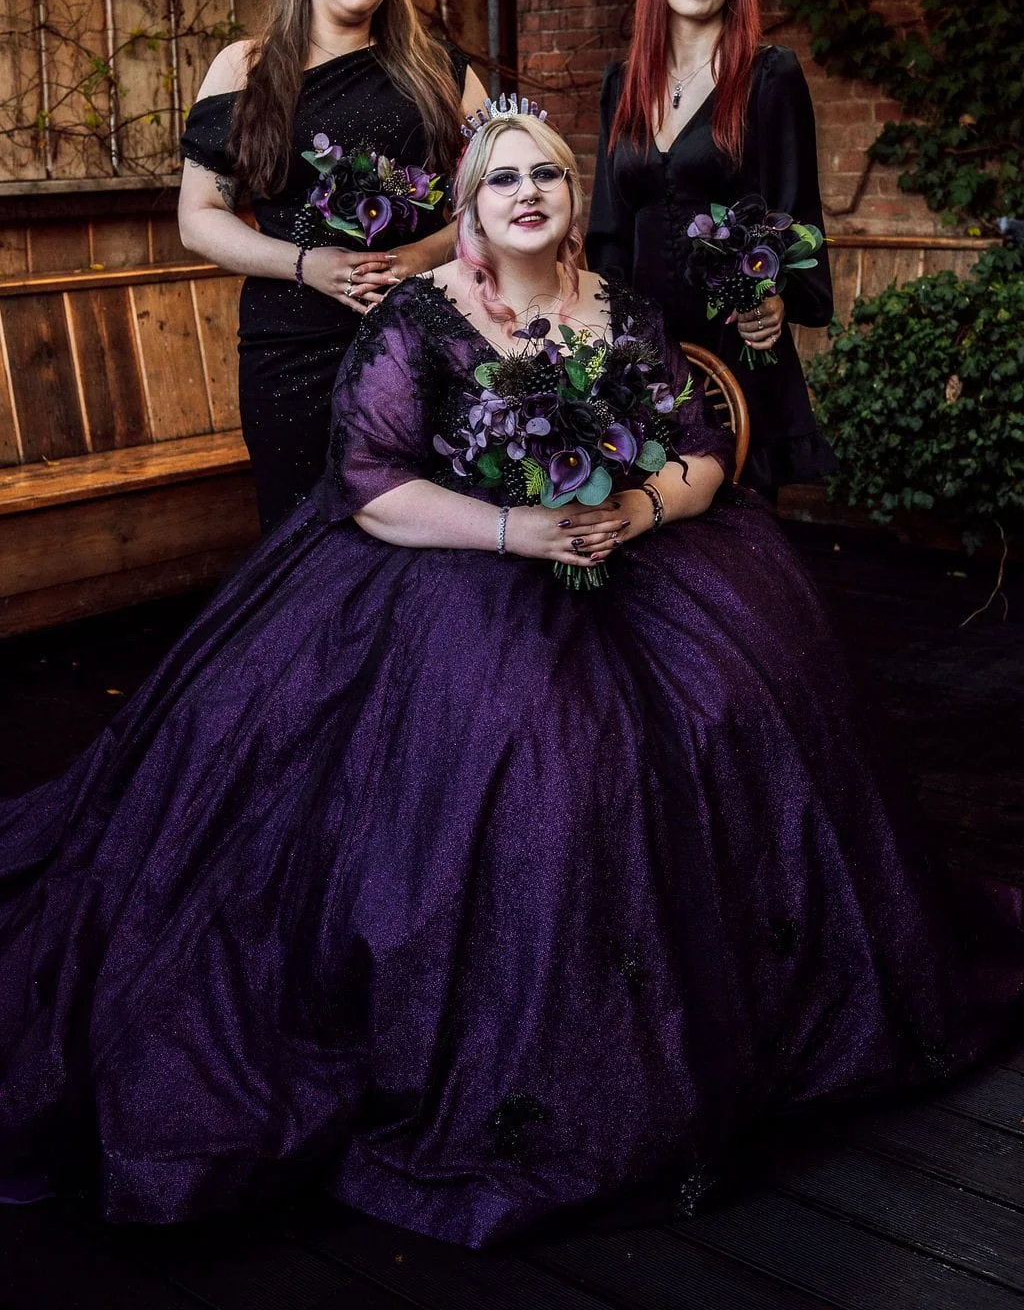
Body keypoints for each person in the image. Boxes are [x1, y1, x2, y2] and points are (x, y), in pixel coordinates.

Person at [1, 111, 1021, 1250]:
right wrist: (511, 529)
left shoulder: (622, 310)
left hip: (632, 557)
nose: (527, 191)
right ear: (472, 207)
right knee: (530, 745)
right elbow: (370, 485)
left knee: (737, 707)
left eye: (547, 174)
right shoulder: (421, 319)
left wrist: (635, 505)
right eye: (502, 180)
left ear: (573, 197)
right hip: (453, 566)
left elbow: (698, 450)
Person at [178, 0, 488, 530]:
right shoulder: (247, 68)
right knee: (305, 530)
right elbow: (199, 218)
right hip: (291, 347)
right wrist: (304, 263)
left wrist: (422, 253)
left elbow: (498, 194)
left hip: (417, 331)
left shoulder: (438, 69)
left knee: (427, 533)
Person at [587, 0, 837, 496]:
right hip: (645, 342)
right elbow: (608, 226)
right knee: (640, 513)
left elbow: (794, 208)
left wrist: (778, 295)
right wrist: (605, 333)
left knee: (736, 525)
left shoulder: (769, 75)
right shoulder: (624, 84)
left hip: (736, 333)